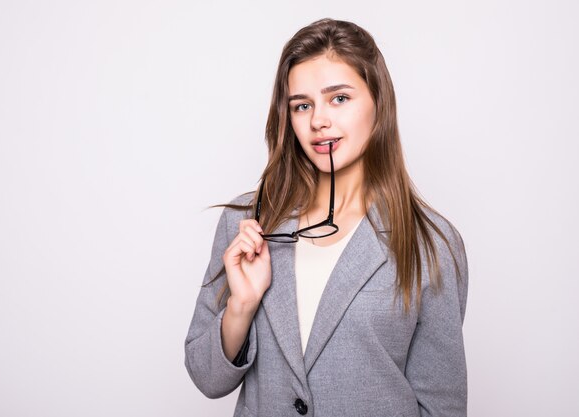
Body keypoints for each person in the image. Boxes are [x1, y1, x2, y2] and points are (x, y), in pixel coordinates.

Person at [184, 17, 468, 417]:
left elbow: (442, 406)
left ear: (378, 104)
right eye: (302, 105)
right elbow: (205, 377)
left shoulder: (431, 244)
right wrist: (241, 307)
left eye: (339, 98)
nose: (318, 120)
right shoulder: (247, 223)